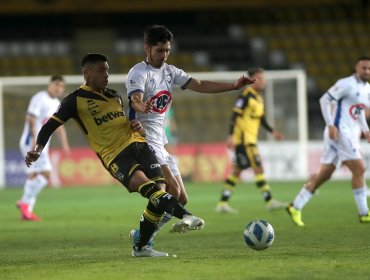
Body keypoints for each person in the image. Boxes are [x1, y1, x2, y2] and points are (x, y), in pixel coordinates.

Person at [24, 53, 204, 257]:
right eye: (102, 70)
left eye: (107, 70)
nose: (106, 74)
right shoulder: (74, 100)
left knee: (161, 189)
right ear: (87, 72)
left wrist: (135, 125)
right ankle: (186, 216)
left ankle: (141, 247)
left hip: (140, 145)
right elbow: (50, 126)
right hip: (115, 155)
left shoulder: (114, 95)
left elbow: (124, 122)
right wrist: (37, 149)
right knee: (150, 189)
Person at [125, 24, 255, 246]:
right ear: (147, 49)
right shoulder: (139, 73)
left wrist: (233, 86)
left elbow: (200, 84)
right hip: (143, 139)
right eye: (159, 51)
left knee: (181, 197)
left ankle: (142, 236)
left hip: (160, 141)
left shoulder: (170, 71)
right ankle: (144, 240)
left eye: (167, 50)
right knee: (170, 190)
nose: (164, 55)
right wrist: (140, 104)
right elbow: (134, 98)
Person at [286, 56, 370, 226]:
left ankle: (295, 206)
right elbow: (324, 99)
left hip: (344, 133)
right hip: (339, 132)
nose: (367, 71)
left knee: (324, 175)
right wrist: (330, 125)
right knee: (360, 168)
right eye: (364, 68)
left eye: (369, 68)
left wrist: (366, 129)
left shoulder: (367, 88)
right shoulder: (346, 83)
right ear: (356, 68)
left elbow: (359, 110)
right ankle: (364, 213)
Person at [215, 67, 288, 213]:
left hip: (250, 139)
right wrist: (231, 136)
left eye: (264, 79)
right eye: (260, 79)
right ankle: (270, 201)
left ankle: (222, 203)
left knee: (237, 171)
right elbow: (234, 116)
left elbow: (262, 119)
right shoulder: (245, 96)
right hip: (244, 140)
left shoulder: (258, 98)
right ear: (252, 80)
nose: (263, 82)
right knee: (258, 167)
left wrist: (273, 132)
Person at [17, 75, 71, 221]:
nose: (58, 88)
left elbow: (59, 127)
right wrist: (35, 140)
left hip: (41, 145)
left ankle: (26, 211)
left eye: (61, 86)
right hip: (32, 143)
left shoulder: (57, 103)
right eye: (56, 84)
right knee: (46, 173)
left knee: (34, 175)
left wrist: (65, 144)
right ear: (50, 84)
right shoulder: (39, 98)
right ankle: (24, 202)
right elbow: (31, 118)